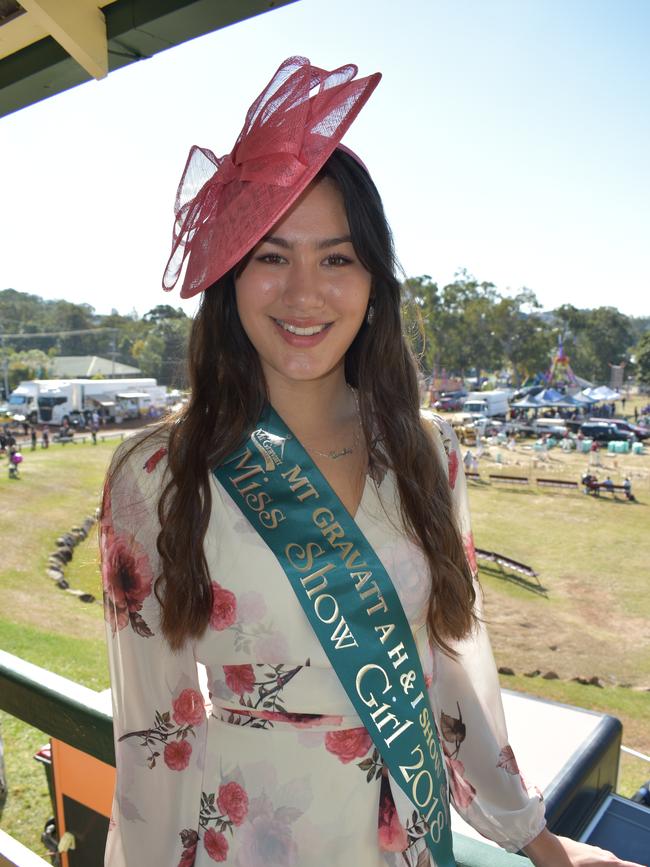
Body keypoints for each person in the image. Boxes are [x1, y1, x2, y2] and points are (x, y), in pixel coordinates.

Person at [101, 57, 640, 867]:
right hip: (246, 839)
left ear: (374, 280)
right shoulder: (157, 477)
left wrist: (533, 837)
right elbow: (155, 735)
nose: (304, 293)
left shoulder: (428, 452)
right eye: (271, 256)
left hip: (405, 839)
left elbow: (453, 664)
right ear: (229, 277)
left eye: (338, 258)